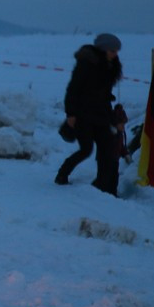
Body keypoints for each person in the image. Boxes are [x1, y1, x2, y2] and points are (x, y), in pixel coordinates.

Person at [55, 33, 123, 196]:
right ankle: (62, 174)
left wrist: (114, 119)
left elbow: (104, 94)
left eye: (116, 51)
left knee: (107, 151)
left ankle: (106, 186)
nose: (115, 54)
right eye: (113, 50)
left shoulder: (110, 66)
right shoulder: (86, 63)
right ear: (103, 49)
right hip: (82, 114)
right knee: (86, 149)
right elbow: (73, 89)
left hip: (101, 114)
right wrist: (71, 114)